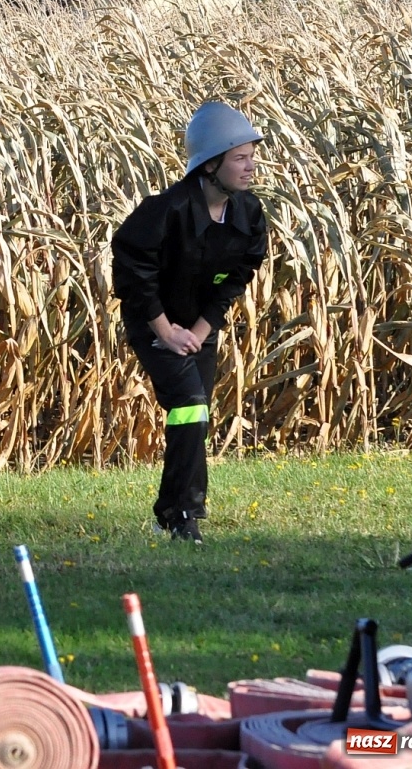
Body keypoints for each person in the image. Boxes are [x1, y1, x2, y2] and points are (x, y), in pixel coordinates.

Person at [111, 101, 267, 545]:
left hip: (199, 328)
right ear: (211, 164)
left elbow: (237, 277)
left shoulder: (248, 214)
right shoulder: (167, 210)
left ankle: (174, 509)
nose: (250, 166)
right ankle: (183, 514)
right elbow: (131, 269)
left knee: (194, 414)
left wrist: (200, 330)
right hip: (155, 323)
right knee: (190, 402)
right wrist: (163, 329)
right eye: (240, 157)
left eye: (251, 156)